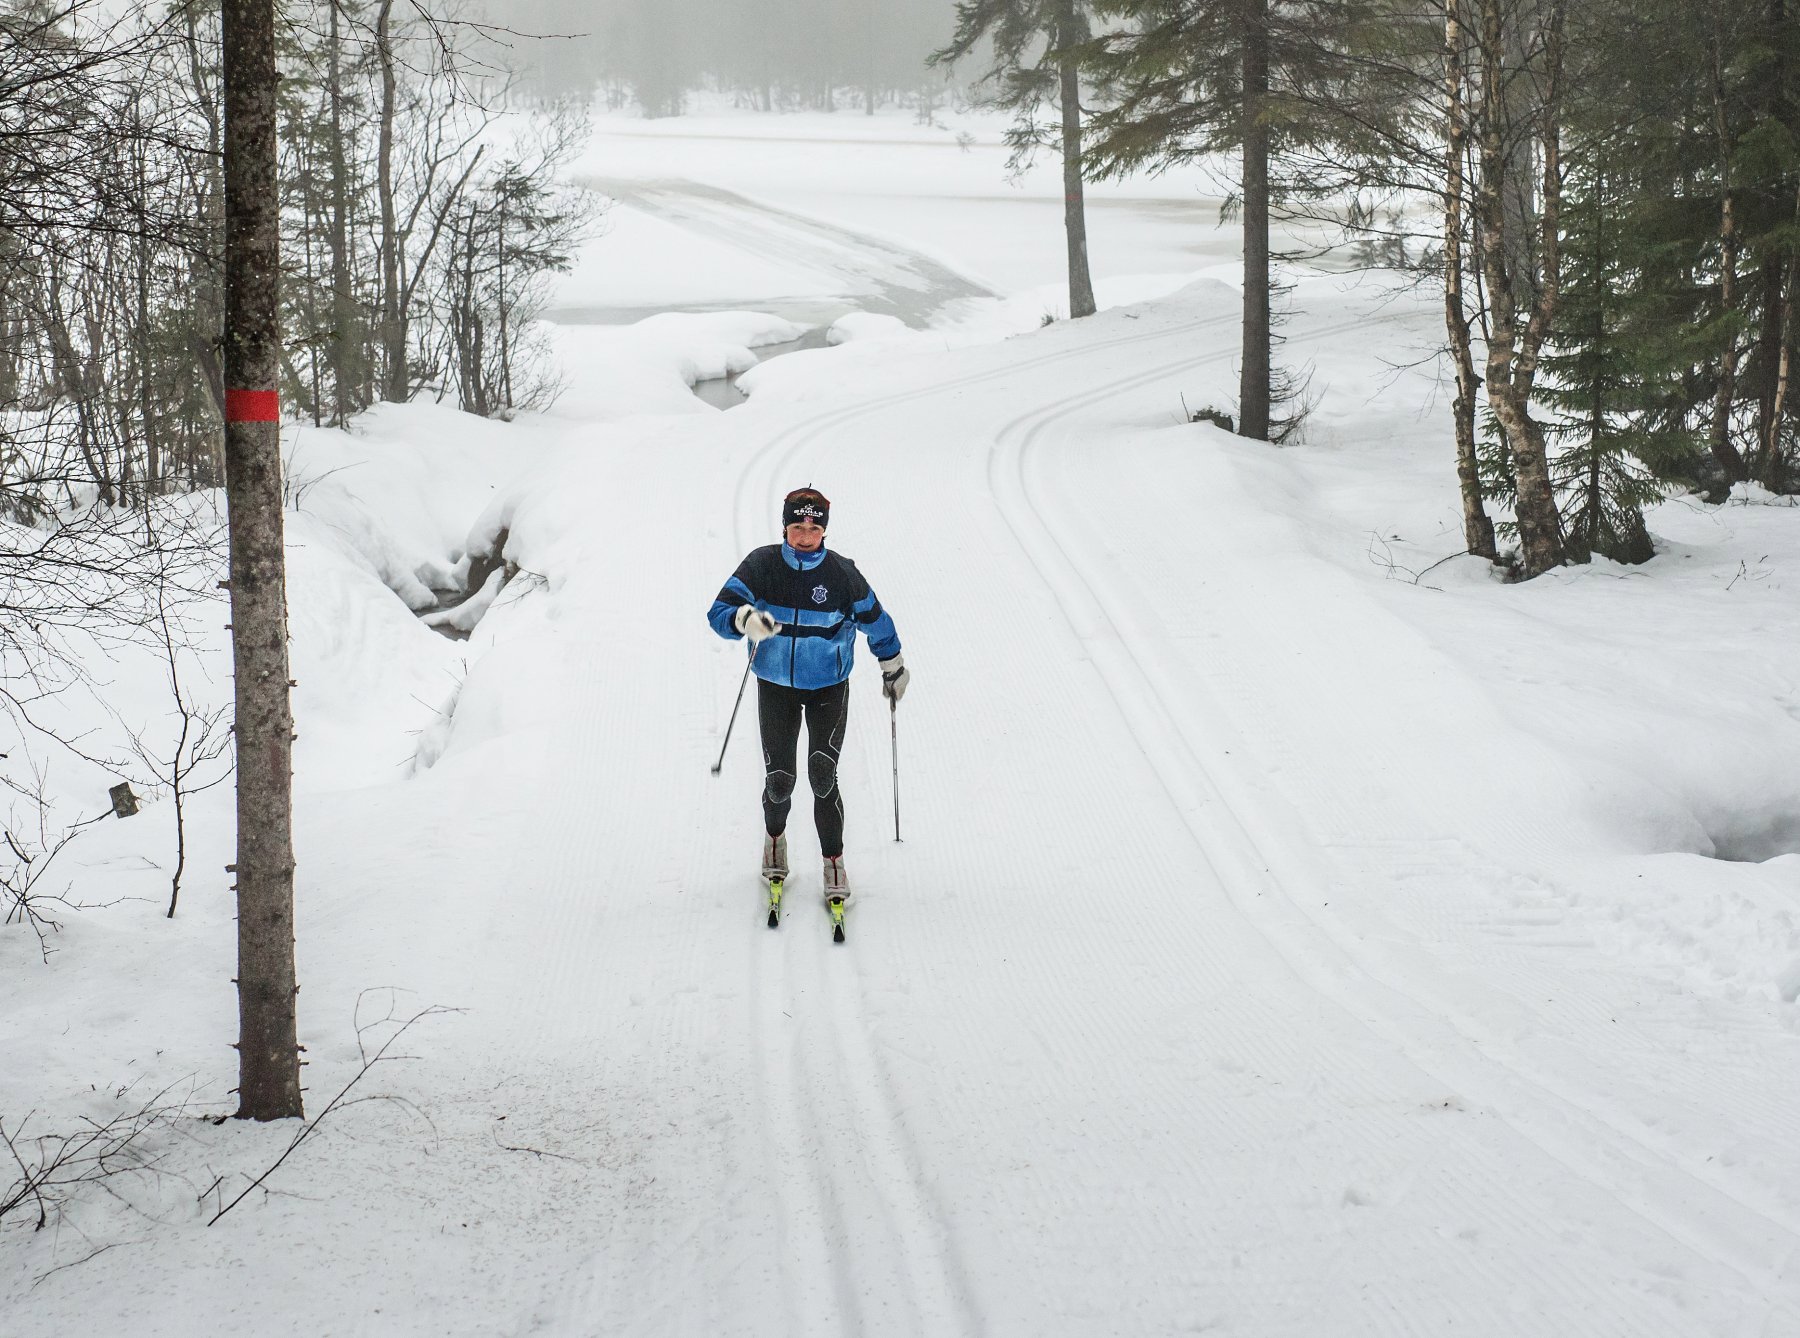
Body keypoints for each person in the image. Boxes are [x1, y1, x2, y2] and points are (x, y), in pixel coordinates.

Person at [707, 487, 908, 903]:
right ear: (785, 526)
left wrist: (893, 665)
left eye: (813, 527)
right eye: (797, 525)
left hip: (828, 688)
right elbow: (718, 613)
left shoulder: (842, 574)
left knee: (821, 776)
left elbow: (875, 619)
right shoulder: (761, 565)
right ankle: (774, 840)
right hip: (776, 686)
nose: (804, 534)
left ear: (824, 531)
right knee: (780, 781)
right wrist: (744, 618)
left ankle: (833, 861)